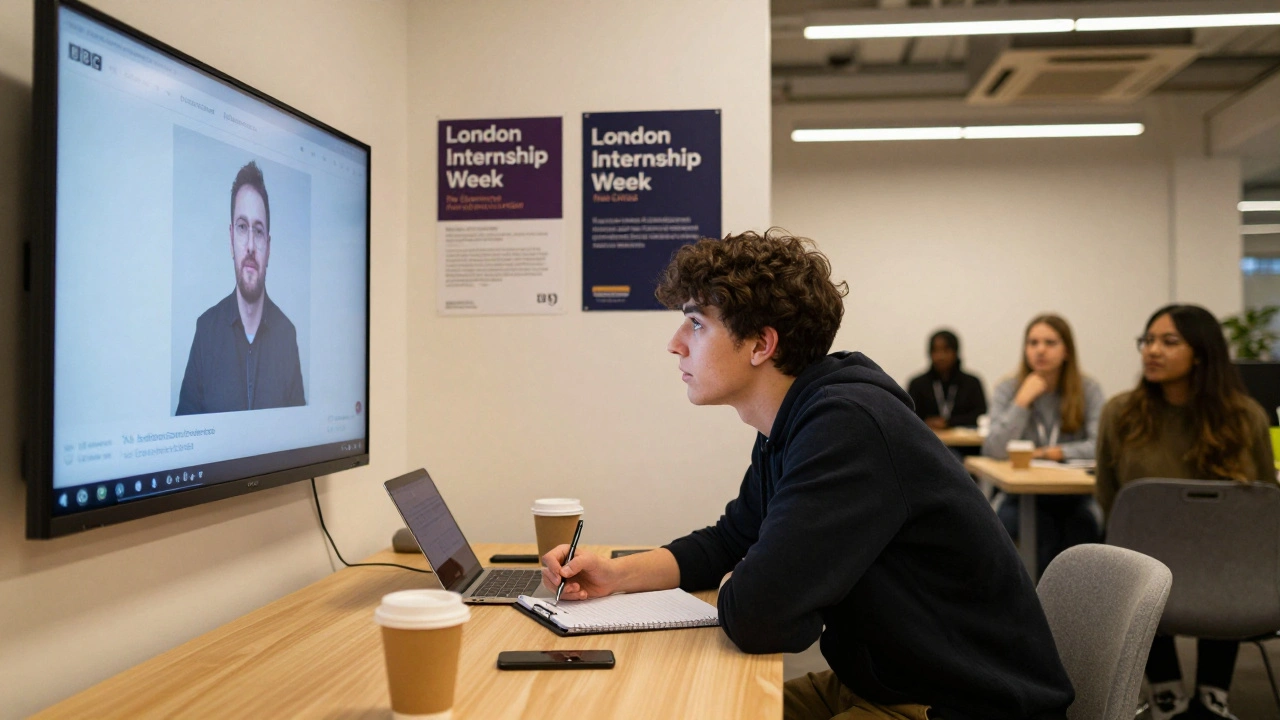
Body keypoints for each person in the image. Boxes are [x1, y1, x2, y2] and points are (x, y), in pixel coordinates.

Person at [541, 230, 1074, 720]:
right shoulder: (794, 419)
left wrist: (746, 583)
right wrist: (616, 573)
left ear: (760, 345)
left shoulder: (846, 426)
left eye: (697, 323)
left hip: (959, 703)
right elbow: (731, 542)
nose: (676, 342)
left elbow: (761, 618)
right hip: (881, 684)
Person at [1096, 304, 1277, 720]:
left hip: (1218, 573)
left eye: (1169, 341)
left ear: (1201, 352)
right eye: (1148, 340)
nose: (1152, 351)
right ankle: (1171, 694)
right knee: (1149, 554)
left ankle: (1207, 694)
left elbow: (1263, 509)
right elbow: (1114, 505)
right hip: (1157, 572)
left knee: (1223, 552)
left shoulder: (1245, 418)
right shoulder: (1120, 414)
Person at [177, 161, 305, 415]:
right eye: (242, 227)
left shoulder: (287, 335)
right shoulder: (206, 331)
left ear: (268, 248)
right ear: (230, 239)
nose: (249, 246)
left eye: (258, 231)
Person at [982, 314, 1105, 574]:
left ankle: (1074, 611)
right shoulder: (1009, 388)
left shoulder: (1088, 389)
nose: (1040, 350)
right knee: (1031, 531)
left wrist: (1055, 453)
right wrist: (1022, 402)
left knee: (1083, 530)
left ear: (1067, 351)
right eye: (1033, 342)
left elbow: (1100, 445)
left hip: (1073, 497)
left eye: (1050, 342)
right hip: (1020, 496)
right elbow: (993, 449)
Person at [906, 329, 987, 429]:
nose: (941, 356)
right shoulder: (917, 384)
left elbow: (980, 416)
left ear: (955, 352)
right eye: (935, 350)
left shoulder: (972, 383)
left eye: (946, 350)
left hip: (965, 443)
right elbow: (909, 415)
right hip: (927, 441)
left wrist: (949, 422)